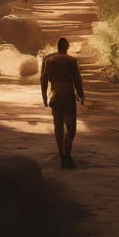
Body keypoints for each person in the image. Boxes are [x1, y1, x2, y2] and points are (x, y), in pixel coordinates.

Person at [41, 37, 85, 169]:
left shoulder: (49, 60)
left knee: (58, 128)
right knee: (71, 128)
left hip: (55, 96)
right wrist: (81, 94)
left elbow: (43, 80)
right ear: (67, 47)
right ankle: (67, 154)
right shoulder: (72, 61)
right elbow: (77, 79)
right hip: (68, 95)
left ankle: (62, 156)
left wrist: (44, 97)